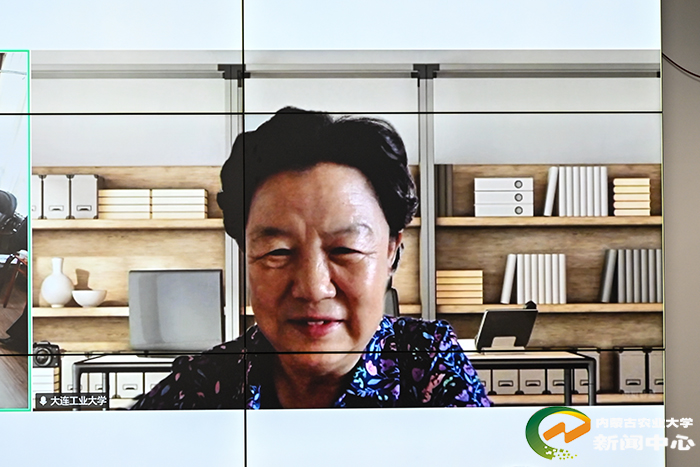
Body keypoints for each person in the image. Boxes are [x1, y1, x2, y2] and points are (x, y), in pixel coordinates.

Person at [131, 107, 491, 409]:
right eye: (278, 252)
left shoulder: (428, 362)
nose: (313, 288)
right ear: (247, 257)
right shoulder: (201, 386)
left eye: (345, 250)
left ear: (390, 253)